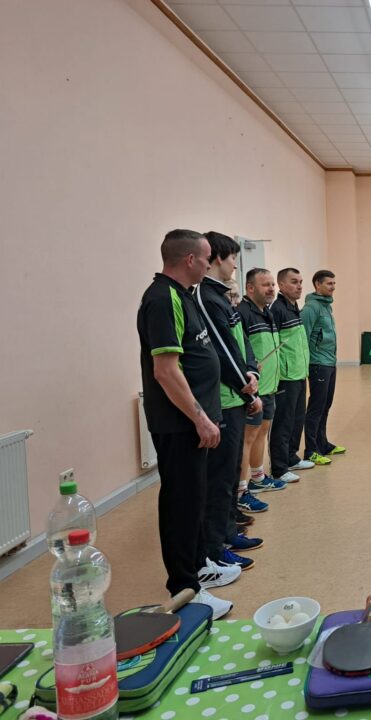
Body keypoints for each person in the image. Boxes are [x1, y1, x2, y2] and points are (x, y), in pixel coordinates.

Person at [136, 229, 237, 620]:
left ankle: (199, 568)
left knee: (195, 500)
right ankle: (185, 589)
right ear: (191, 259)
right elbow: (165, 370)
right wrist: (200, 418)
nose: (210, 264)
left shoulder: (183, 296)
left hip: (195, 423)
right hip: (179, 425)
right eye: (207, 258)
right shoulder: (162, 299)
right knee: (181, 505)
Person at [196, 232, 264, 575]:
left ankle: (226, 533)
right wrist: (247, 389)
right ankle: (216, 548)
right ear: (218, 258)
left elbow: (239, 345)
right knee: (220, 477)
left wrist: (251, 371)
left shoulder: (222, 298)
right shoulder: (206, 297)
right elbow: (221, 352)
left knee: (228, 472)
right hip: (223, 400)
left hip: (236, 395)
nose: (236, 264)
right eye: (233, 257)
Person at [237, 268, 284, 515]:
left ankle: (258, 477)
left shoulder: (267, 312)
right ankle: (241, 491)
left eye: (272, 284)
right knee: (247, 438)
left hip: (269, 386)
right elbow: (238, 350)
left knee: (262, 432)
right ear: (250, 288)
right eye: (266, 285)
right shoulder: (242, 313)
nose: (271, 289)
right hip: (254, 389)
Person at [269, 267, 313, 482]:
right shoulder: (277, 309)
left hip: (299, 373)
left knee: (297, 419)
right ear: (282, 285)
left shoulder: (294, 307)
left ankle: (291, 457)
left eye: (301, 282)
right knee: (283, 422)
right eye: (294, 282)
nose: (299, 286)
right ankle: (279, 468)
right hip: (285, 377)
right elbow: (274, 344)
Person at [302, 270, 345, 465]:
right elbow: (303, 338)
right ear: (317, 285)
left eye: (334, 283)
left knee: (326, 405)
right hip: (318, 363)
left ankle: (323, 444)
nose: (333, 287)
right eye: (329, 283)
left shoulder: (326, 306)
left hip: (329, 362)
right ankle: (311, 450)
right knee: (316, 407)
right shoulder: (311, 308)